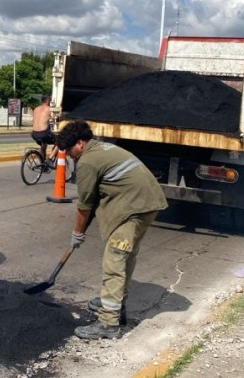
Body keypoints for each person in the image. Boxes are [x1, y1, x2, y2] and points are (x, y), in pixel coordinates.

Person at [56, 119, 167, 340]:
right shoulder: (102, 148)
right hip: (145, 203)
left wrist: (77, 233)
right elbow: (95, 197)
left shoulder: (87, 161)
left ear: (79, 143)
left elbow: (85, 205)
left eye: (69, 150)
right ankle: (116, 305)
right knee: (126, 256)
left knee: (115, 258)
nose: (68, 155)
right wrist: (82, 228)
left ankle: (108, 323)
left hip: (134, 208)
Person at [31, 95, 58, 164]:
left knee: (44, 144)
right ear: (47, 101)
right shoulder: (49, 109)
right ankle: (50, 159)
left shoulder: (36, 109)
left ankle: (42, 163)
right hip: (43, 134)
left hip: (34, 134)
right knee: (60, 141)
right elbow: (56, 118)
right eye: (50, 101)